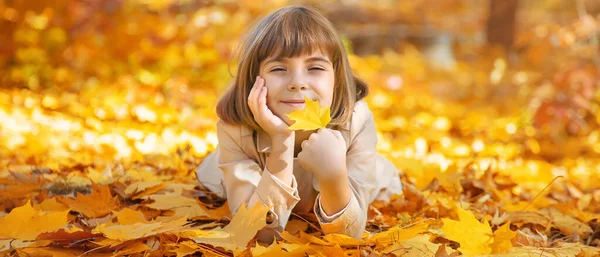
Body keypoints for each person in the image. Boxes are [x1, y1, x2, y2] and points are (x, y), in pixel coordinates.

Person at [196, 5, 402, 242]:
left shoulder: (356, 121)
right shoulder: (236, 129)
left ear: (337, 79)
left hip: (362, 186)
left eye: (315, 68)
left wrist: (333, 176)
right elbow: (256, 234)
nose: (297, 83)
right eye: (278, 68)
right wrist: (281, 142)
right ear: (254, 79)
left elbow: (348, 235)